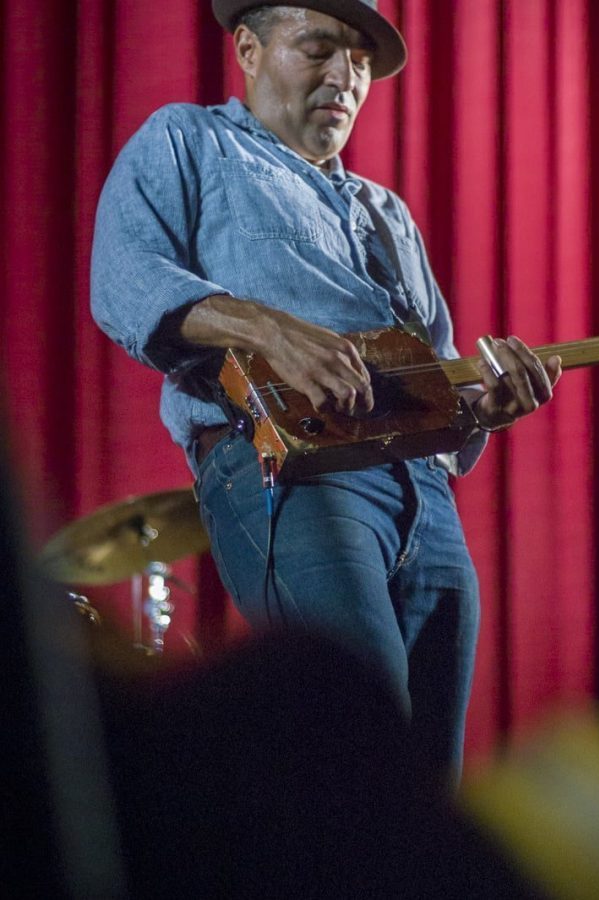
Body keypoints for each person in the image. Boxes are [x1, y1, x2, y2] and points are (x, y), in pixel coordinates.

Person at [91, 0, 561, 784]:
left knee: (425, 786)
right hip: (295, 473)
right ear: (247, 47)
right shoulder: (187, 140)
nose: (345, 77)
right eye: (319, 49)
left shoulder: (390, 215)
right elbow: (123, 278)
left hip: (427, 505)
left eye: (361, 62)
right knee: (359, 755)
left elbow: (439, 383)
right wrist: (270, 330)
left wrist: (485, 408)